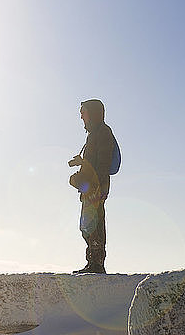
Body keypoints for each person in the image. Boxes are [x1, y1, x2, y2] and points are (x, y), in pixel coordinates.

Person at [68, 99, 115, 274]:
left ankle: (97, 264)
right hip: (91, 188)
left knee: (94, 226)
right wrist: (80, 167)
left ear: (93, 113)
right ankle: (92, 263)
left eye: (83, 111)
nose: (81, 115)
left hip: (96, 188)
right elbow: (93, 163)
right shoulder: (94, 134)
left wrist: (87, 180)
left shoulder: (103, 133)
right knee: (87, 227)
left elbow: (102, 164)